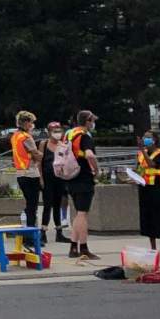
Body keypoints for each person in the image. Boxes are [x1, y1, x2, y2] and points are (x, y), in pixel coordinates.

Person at [65, 110, 101, 260]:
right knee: (82, 214)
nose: (93, 124)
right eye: (92, 121)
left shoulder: (69, 134)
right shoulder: (84, 136)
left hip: (70, 176)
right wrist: (96, 170)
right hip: (83, 177)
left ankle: (73, 248)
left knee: (78, 213)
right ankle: (84, 248)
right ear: (87, 121)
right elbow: (89, 155)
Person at [136, 130, 160, 260]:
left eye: (148, 137)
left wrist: (142, 150)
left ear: (154, 140)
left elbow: (152, 165)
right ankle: (153, 249)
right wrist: (132, 178)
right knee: (148, 219)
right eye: (144, 137)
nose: (145, 139)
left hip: (157, 189)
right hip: (144, 189)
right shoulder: (141, 154)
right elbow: (141, 170)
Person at [10, 111, 45, 239]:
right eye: (31, 122)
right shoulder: (26, 137)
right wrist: (41, 153)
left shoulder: (15, 136)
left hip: (20, 173)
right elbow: (36, 154)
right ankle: (30, 237)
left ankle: (28, 234)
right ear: (25, 122)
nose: (32, 125)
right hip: (30, 173)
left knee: (28, 205)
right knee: (32, 207)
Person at [38, 121, 72, 244]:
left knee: (57, 205)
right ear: (49, 132)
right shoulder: (44, 144)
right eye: (54, 131)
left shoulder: (63, 145)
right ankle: (43, 232)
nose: (57, 134)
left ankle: (59, 233)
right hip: (47, 178)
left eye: (59, 131)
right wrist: (40, 178)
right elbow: (39, 162)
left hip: (60, 178)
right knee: (47, 205)